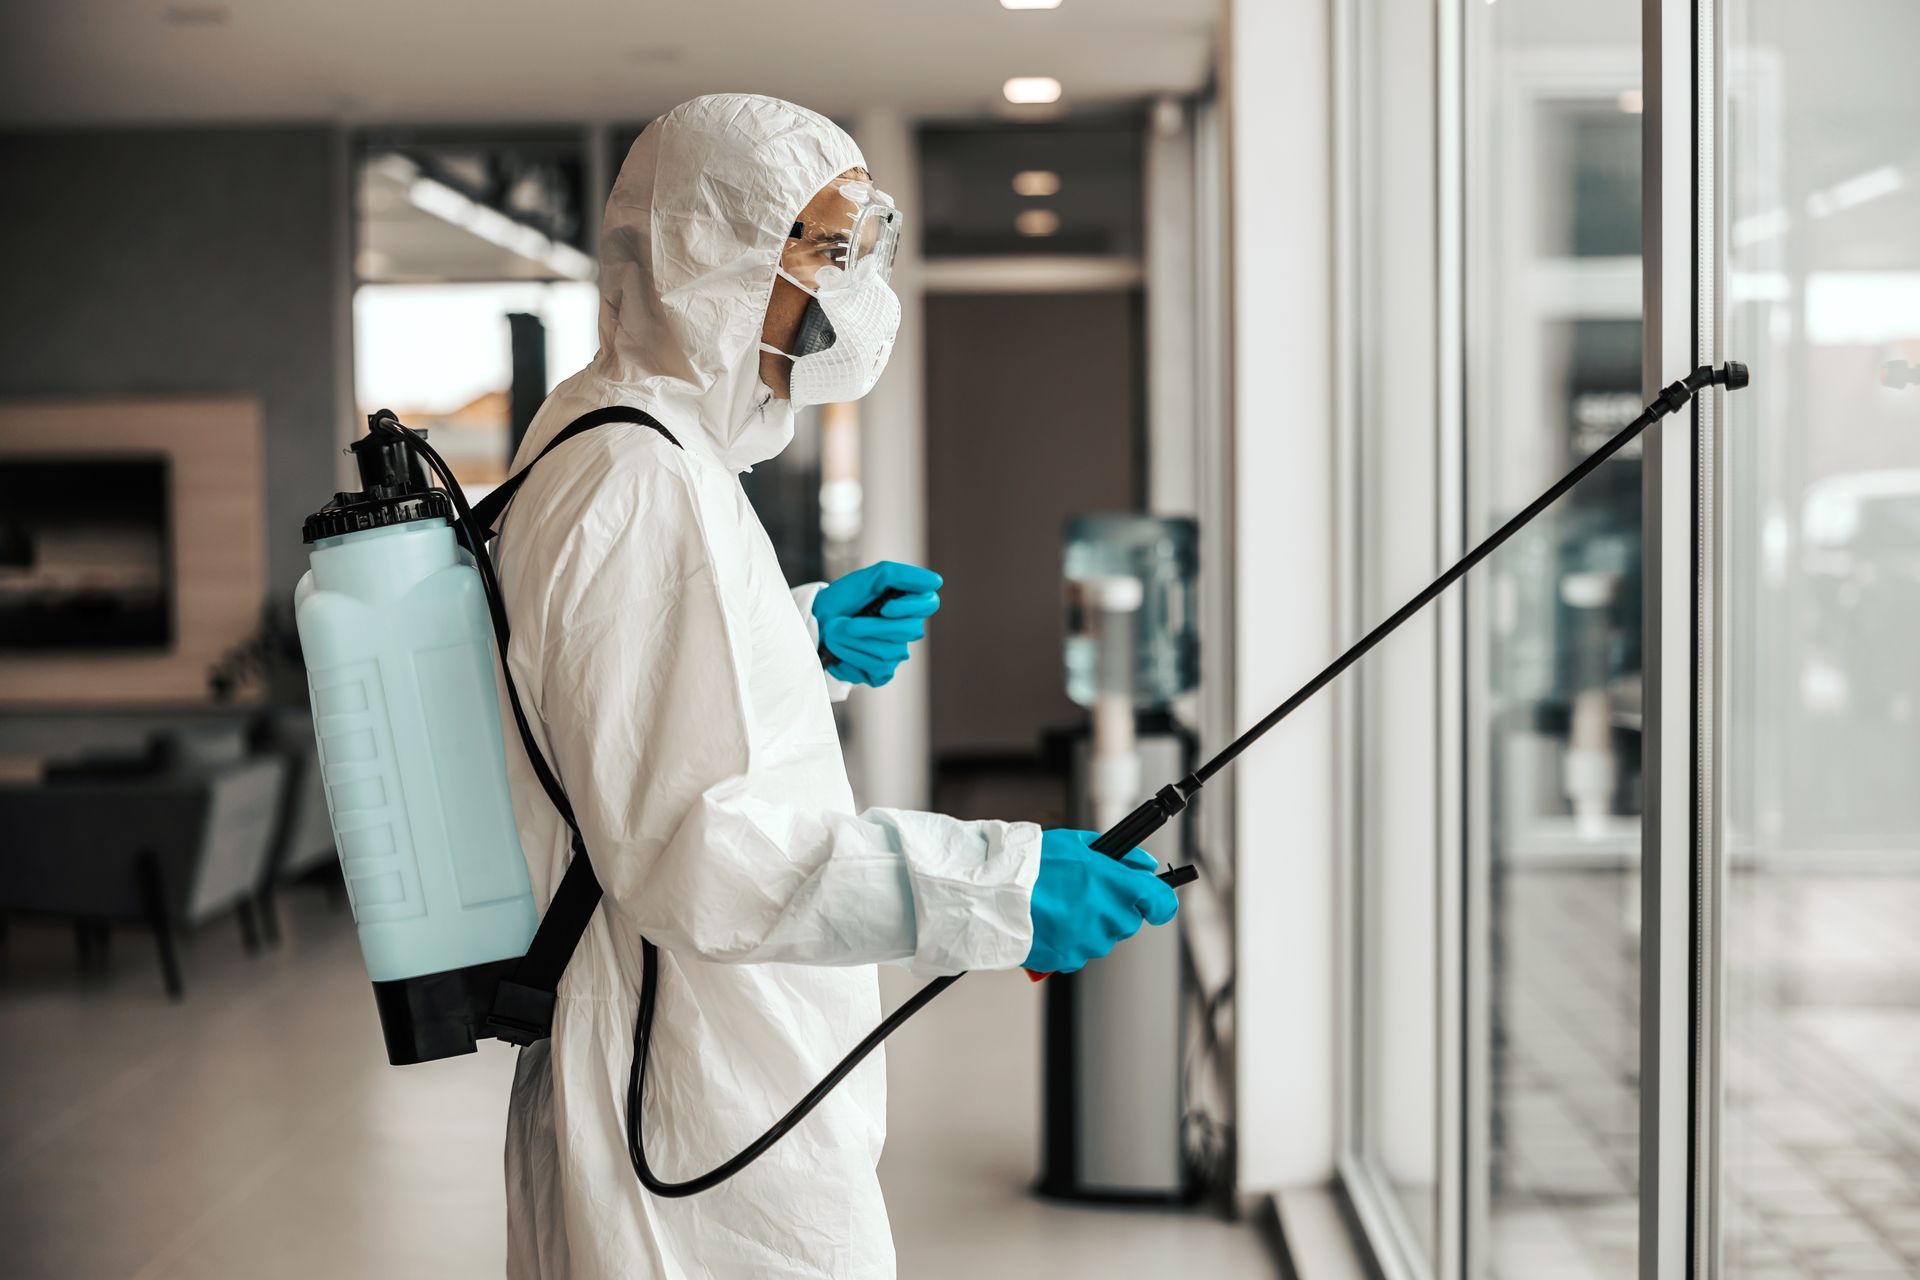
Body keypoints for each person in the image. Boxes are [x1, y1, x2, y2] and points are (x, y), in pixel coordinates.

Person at [494, 93, 1178, 1280]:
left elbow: (618, 705)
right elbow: (699, 850)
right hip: (692, 1100)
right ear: (711, 259)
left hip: (704, 1064)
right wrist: (1001, 883)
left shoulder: (619, 438)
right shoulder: (638, 478)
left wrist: (795, 635)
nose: (851, 290)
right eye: (825, 250)